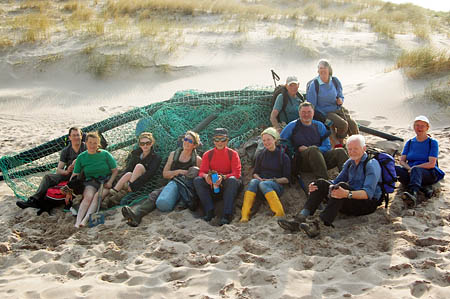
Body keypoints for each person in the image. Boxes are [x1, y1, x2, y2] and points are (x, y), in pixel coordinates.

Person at [278, 135, 382, 237]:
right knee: (320, 183)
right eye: (350, 149)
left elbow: (367, 194)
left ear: (364, 148)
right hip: (351, 198)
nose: (352, 152)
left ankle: (320, 224)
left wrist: (346, 193)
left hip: (367, 204)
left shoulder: (371, 164)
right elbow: (335, 182)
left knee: (341, 187)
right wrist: (316, 187)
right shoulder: (350, 163)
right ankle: (299, 219)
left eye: (355, 149)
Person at [121, 131, 202, 227]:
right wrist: (178, 172)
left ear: (195, 145)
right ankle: (137, 215)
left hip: (185, 189)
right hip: (171, 183)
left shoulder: (197, 160)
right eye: (185, 139)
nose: (186, 142)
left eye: (190, 141)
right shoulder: (174, 154)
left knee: (194, 170)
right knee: (154, 195)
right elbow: (165, 174)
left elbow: (196, 179)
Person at [16, 127, 86, 210]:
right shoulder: (66, 150)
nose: (76, 138)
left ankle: (67, 197)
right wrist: (67, 171)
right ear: (69, 137)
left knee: (78, 174)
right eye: (73, 135)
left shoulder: (85, 147)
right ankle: (34, 200)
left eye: (78, 135)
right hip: (68, 174)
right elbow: (59, 170)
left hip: (81, 174)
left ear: (81, 136)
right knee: (48, 177)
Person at [280, 102, 348, 180]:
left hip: (320, 159)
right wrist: (295, 149)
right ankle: (324, 182)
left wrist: (316, 150)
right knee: (313, 150)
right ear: (299, 113)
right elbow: (282, 142)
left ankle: (348, 180)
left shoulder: (319, 125)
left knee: (340, 151)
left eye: (309, 112)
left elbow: (327, 146)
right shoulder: (292, 126)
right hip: (302, 161)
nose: (306, 115)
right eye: (303, 112)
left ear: (313, 113)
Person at [240, 127, 290, 222]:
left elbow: (286, 179)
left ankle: (279, 213)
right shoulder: (261, 154)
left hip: (276, 186)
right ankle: (244, 215)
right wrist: (259, 178)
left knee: (264, 184)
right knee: (253, 182)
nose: (266, 142)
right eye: (264, 140)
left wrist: (271, 181)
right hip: (261, 184)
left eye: (269, 139)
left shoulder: (283, 156)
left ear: (275, 140)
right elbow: (255, 173)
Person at [193, 128, 242, 225]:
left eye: (223, 139)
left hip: (227, 183)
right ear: (213, 141)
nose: (220, 142)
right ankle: (209, 211)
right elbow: (201, 171)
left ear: (227, 140)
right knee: (197, 180)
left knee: (232, 180)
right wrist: (206, 176)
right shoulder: (208, 154)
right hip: (213, 184)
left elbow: (237, 173)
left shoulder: (233, 154)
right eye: (217, 139)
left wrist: (223, 177)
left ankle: (227, 214)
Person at [306, 59, 358, 146]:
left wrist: (340, 100)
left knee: (353, 125)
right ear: (318, 70)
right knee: (343, 125)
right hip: (325, 111)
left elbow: (340, 95)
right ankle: (340, 142)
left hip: (338, 108)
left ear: (329, 70)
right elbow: (312, 105)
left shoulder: (335, 81)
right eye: (320, 68)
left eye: (324, 68)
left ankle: (356, 143)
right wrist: (321, 117)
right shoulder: (314, 85)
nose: (322, 70)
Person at [71, 132, 118, 228]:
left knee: (97, 197)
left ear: (98, 144)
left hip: (105, 181)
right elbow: (75, 174)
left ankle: (85, 220)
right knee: (88, 197)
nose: (92, 145)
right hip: (91, 181)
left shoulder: (105, 154)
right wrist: (69, 186)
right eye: (90, 142)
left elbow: (115, 170)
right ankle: (78, 221)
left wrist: (110, 182)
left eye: (95, 143)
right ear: (86, 143)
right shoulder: (81, 157)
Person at [396, 115, 445, 208]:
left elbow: (431, 164)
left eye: (422, 126)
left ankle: (413, 194)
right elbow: (402, 161)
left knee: (416, 170)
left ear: (427, 128)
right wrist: (410, 169)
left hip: (428, 173)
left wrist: (415, 168)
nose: (419, 128)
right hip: (411, 171)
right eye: (417, 125)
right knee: (395, 168)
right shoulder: (410, 142)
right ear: (414, 127)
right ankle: (423, 188)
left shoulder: (432, 142)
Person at [104, 132, 161, 207]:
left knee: (139, 166)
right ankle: (111, 194)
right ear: (139, 144)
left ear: (152, 143)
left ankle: (126, 189)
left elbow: (149, 174)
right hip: (132, 178)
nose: (145, 145)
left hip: (143, 182)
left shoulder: (155, 157)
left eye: (148, 143)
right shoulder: (136, 154)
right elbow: (129, 168)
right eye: (142, 143)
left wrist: (133, 185)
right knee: (128, 174)